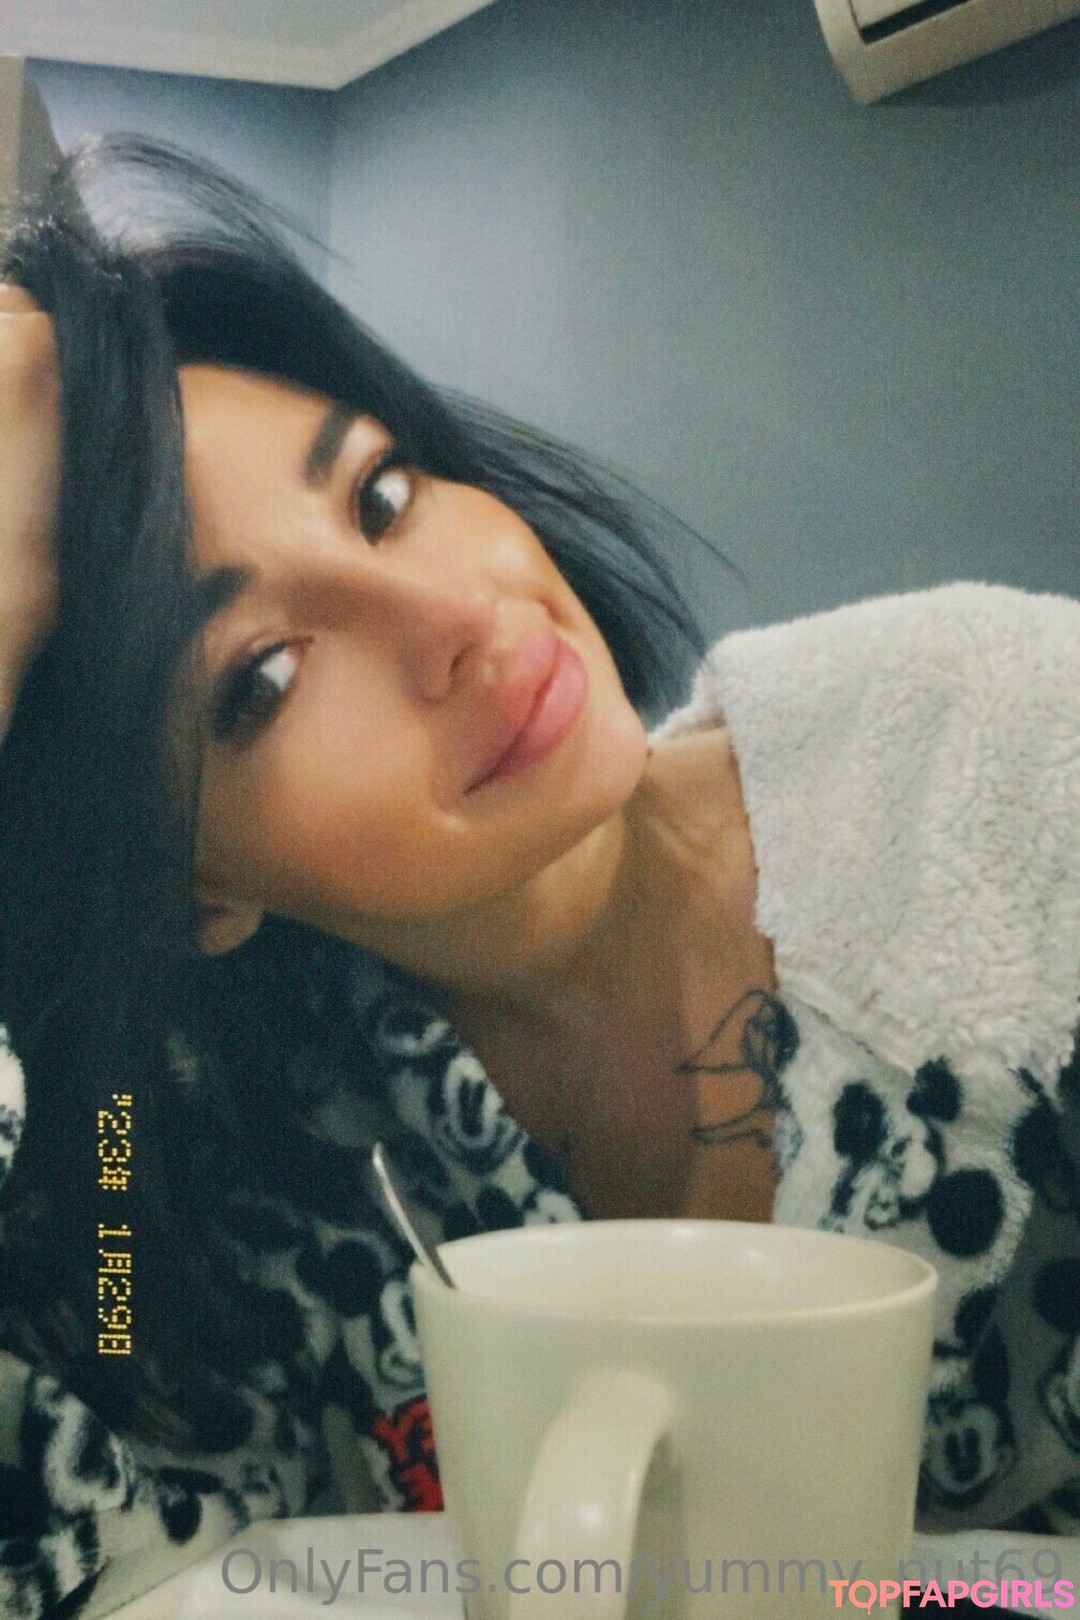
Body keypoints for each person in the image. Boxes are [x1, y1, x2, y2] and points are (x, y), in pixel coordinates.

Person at [0, 141, 1078, 1617]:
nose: (452, 613)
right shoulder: (173, 1160)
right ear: (187, 895)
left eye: (383, 496)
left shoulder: (1008, 756)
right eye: (261, 679)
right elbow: (94, 1526)